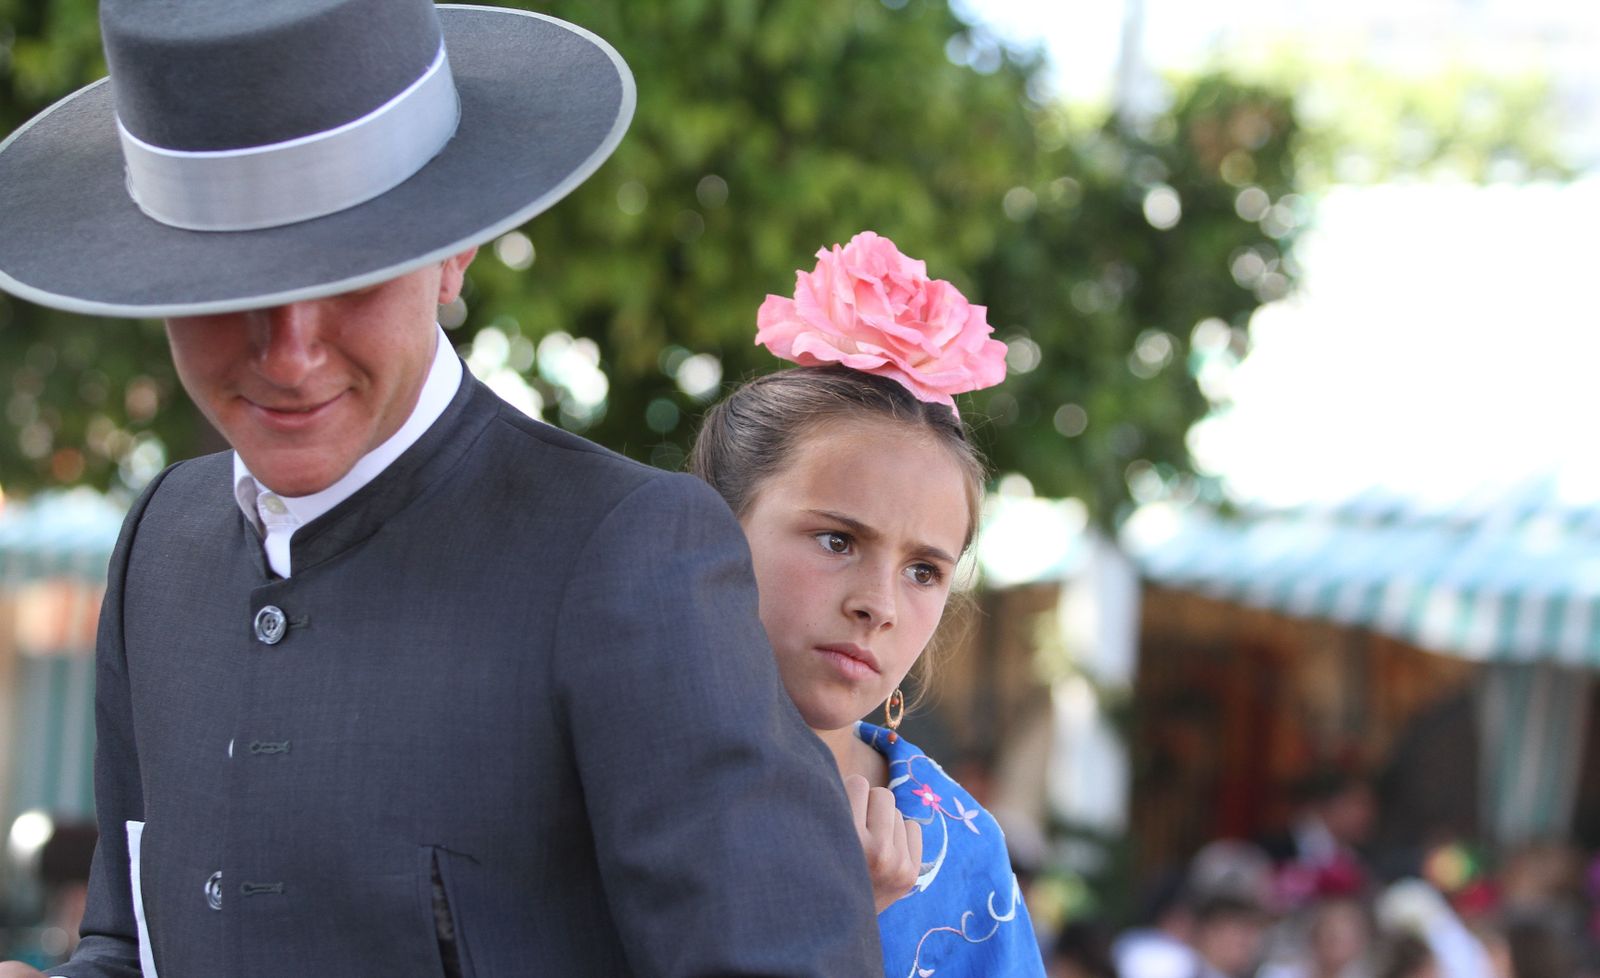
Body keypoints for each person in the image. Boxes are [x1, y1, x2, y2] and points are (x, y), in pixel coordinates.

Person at [0, 1, 882, 975]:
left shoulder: (625, 552)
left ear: (453, 253)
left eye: (353, 271)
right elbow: (128, 942)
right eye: (229, 286)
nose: (289, 353)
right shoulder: (160, 543)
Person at [688, 231, 1047, 977]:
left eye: (923, 572)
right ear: (713, 527)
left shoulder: (961, 851)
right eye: (836, 541)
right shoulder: (598, 776)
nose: (879, 605)